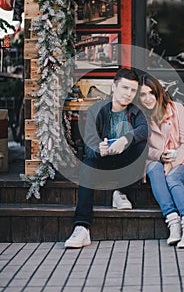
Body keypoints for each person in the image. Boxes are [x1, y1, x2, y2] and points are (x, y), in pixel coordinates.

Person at [65, 68, 149, 248]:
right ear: (114, 87)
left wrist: (125, 139)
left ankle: (121, 193)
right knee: (87, 163)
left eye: (133, 90)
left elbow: (144, 130)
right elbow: (90, 144)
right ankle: (82, 227)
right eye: (125, 88)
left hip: (124, 165)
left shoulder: (136, 112)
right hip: (101, 164)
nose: (128, 94)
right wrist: (99, 150)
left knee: (141, 146)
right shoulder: (97, 110)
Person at [138, 73, 184, 248]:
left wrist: (172, 163)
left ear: (158, 92)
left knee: (172, 178)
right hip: (157, 160)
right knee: (153, 168)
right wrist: (160, 156)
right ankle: (173, 221)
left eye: (150, 93)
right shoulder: (140, 117)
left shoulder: (176, 109)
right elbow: (143, 149)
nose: (147, 98)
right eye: (142, 94)